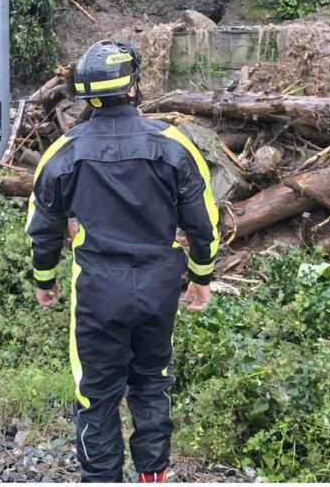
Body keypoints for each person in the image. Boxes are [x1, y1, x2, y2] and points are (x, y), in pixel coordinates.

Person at [25, 40, 219, 483]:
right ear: (132, 87)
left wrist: (44, 279)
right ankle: (153, 476)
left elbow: (43, 226)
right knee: (152, 382)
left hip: (97, 291)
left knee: (96, 394)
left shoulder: (64, 151)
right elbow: (203, 219)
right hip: (158, 286)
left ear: (84, 94)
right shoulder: (172, 143)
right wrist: (201, 275)